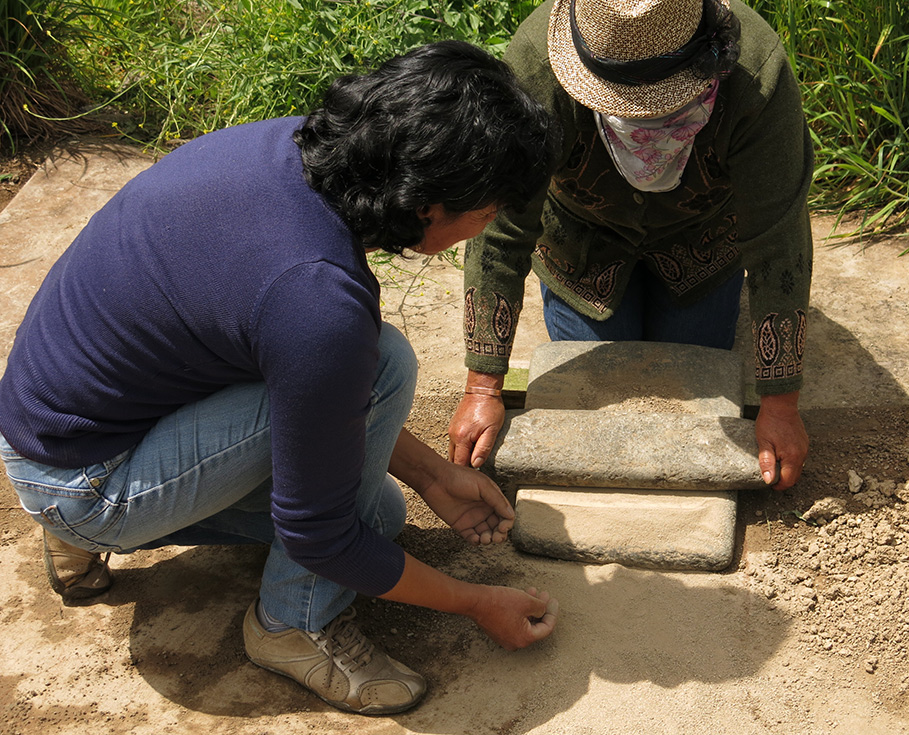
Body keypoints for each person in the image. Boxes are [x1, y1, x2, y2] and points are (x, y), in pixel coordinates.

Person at [0, 41, 560, 716]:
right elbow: (318, 533)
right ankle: (293, 624)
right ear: (427, 205)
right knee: (382, 368)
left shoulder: (293, 152)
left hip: (68, 423)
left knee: (379, 513)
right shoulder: (318, 300)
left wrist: (434, 478)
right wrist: (476, 600)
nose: (490, 224)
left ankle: (73, 528)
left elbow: (304, 381)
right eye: (489, 208)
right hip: (86, 478)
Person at [449, 0, 813, 491]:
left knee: (694, 385)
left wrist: (780, 403)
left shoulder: (755, 71)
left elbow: (778, 235)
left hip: (703, 238)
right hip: (582, 243)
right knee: (597, 390)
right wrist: (482, 384)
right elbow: (503, 226)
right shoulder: (536, 65)